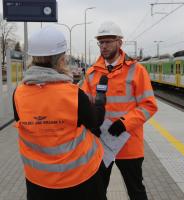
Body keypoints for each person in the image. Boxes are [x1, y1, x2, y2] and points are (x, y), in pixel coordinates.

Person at [12, 26, 106, 200]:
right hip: (80, 179)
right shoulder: (73, 94)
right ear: (61, 59)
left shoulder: (18, 94)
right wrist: (100, 102)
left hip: (37, 181)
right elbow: (95, 122)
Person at [82, 21, 158, 200]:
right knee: (97, 191)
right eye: (101, 42)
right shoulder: (92, 73)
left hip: (129, 142)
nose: (104, 46)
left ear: (120, 42)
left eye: (108, 41)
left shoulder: (137, 70)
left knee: (136, 191)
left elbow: (149, 105)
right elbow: (85, 105)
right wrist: (89, 123)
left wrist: (125, 124)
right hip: (101, 143)